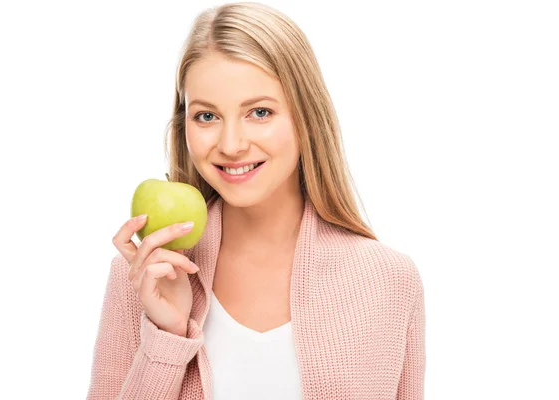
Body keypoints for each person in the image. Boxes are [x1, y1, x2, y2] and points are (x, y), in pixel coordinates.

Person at [87, 2, 425, 399]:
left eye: (259, 112)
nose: (231, 145)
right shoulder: (145, 276)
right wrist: (168, 335)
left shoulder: (388, 280)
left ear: (305, 116)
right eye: (206, 117)